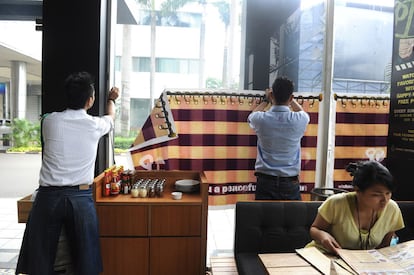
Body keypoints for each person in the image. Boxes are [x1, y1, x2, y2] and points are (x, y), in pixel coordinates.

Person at [16, 71, 120, 275]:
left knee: (39, 262)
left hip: (47, 198)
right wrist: (111, 99)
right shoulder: (95, 125)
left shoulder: (48, 121)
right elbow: (111, 116)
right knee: (87, 262)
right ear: (90, 100)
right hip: (80, 197)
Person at [306, 160, 404, 255]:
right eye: (376, 195)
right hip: (324, 255)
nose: (385, 200)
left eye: (388, 193)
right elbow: (315, 229)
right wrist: (322, 236)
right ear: (358, 190)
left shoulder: (392, 209)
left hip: (361, 262)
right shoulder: (336, 203)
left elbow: (384, 247)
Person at [247, 76, 310, 200]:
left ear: (271, 95)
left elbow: (251, 116)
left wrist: (266, 100)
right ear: (291, 97)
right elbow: (302, 112)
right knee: (292, 219)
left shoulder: (261, 119)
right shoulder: (300, 120)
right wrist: (291, 100)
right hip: (290, 182)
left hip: (265, 180)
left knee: (265, 219)